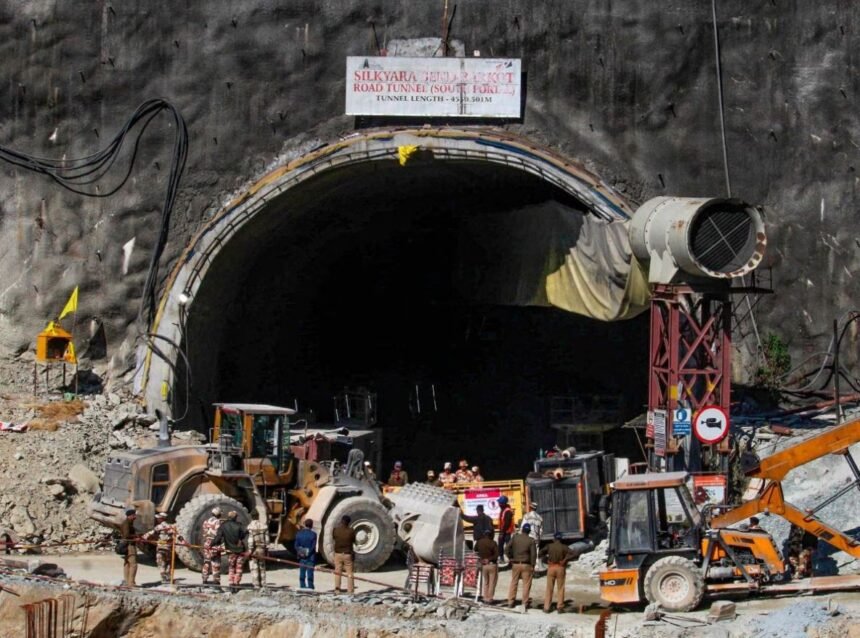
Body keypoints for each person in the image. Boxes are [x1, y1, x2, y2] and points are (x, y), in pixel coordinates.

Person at [539, 531, 577, 613]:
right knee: (560, 588)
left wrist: (545, 559)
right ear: (561, 539)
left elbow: (540, 552)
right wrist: (565, 560)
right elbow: (574, 553)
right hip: (560, 567)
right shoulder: (564, 547)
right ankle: (560, 607)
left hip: (551, 567)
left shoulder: (549, 546)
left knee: (549, 588)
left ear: (554, 539)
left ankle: (546, 607)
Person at [506, 522, 536, 613]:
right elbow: (533, 554)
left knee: (514, 583)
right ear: (529, 531)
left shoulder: (515, 538)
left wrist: (510, 558)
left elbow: (507, 548)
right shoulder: (531, 540)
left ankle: (510, 602)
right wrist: (533, 565)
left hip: (515, 563)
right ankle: (524, 603)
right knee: (526, 585)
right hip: (526, 564)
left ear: (522, 529)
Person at [142, 512, 179, 585]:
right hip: (169, 547)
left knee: (161, 562)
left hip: (161, 547)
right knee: (168, 562)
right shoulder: (171, 526)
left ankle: (163, 576)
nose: (157, 519)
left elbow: (151, 533)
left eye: (158, 518)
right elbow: (177, 535)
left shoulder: (159, 527)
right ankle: (168, 577)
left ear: (161, 519)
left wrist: (143, 537)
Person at [214, 511, 248, 590]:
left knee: (231, 567)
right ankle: (237, 584)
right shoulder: (239, 525)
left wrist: (212, 544)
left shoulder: (223, 526)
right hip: (240, 551)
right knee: (239, 568)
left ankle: (231, 584)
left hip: (230, 551)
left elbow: (218, 537)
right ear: (235, 517)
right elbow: (244, 534)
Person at [332, 515, 357, 594]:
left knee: (337, 572)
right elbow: (353, 540)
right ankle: (350, 590)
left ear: (341, 521)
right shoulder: (351, 531)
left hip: (338, 553)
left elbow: (334, 538)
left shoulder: (335, 530)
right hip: (347, 554)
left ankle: (337, 589)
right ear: (348, 522)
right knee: (349, 573)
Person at [475, 528, 499, 604]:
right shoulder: (493, 543)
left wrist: (481, 558)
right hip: (492, 564)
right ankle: (490, 598)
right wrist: (489, 559)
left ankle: (485, 597)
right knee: (492, 582)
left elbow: (475, 550)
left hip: (483, 565)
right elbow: (496, 555)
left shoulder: (479, 542)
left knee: (486, 582)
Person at [201, 507, 222, 586]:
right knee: (215, 562)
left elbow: (204, 533)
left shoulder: (206, 521)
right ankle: (216, 582)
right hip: (214, 544)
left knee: (206, 562)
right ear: (218, 514)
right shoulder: (217, 522)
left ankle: (204, 580)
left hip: (206, 543)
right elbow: (218, 534)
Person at [294, 519, 318, 589]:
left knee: (302, 573)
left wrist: (301, 552)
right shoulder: (313, 534)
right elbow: (313, 547)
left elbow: (296, 546)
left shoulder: (299, 534)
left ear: (304, 524)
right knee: (310, 574)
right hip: (310, 557)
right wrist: (307, 553)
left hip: (302, 557)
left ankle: (302, 587)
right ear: (312, 525)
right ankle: (310, 587)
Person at [246, 514, 268, 588]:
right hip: (262, 549)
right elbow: (267, 540)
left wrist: (250, 550)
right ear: (258, 516)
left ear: (252, 517)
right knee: (262, 567)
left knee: (254, 567)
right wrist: (266, 549)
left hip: (254, 550)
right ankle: (263, 584)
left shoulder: (250, 527)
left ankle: (256, 584)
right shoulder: (264, 526)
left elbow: (250, 540)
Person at [119, 508, 138, 587]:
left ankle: (127, 582)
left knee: (127, 563)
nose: (135, 517)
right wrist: (136, 537)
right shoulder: (126, 523)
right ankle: (131, 583)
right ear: (130, 516)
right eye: (134, 515)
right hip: (129, 545)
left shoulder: (128, 522)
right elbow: (126, 535)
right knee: (133, 564)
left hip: (126, 544)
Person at [522, 503, 544, 570]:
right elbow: (541, 530)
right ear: (536, 508)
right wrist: (538, 538)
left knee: (527, 552)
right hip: (536, 538)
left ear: (530, 508)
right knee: (536, 554)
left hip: (528, 537)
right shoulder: (540, 518)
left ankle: (527, 568)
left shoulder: (526, 516)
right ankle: (536, 569)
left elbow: (522, 527)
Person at [496, 495, 515, 565]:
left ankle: (511, 560)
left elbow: (506, 523)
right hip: (504, 531)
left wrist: (502, 532)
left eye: (499, 503)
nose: (498, 504)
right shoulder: (503, 510)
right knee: (500, 545)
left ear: (502, 503)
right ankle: (501, 558)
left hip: (506, 532)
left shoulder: (507, 511)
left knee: (508, 546)